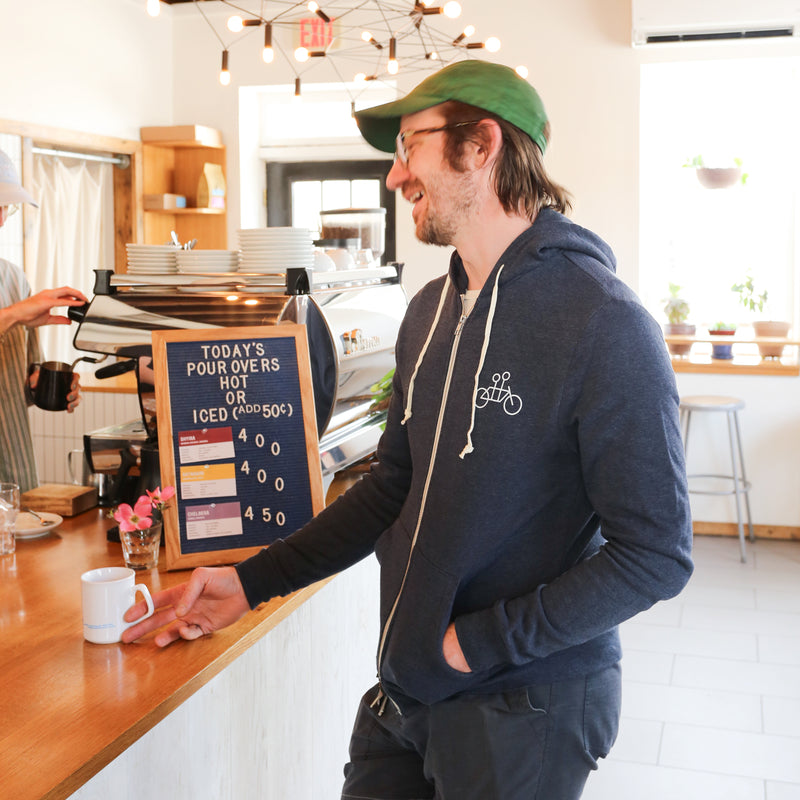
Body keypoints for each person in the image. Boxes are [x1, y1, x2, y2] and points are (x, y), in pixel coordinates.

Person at [123, 60, 694, 799]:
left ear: (480, 146)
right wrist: (249, 581)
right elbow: (393, 486)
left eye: (409, 147)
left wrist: (476, 644)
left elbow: (656, 553)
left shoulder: (606, 325)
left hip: (523, 705)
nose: (395, 178)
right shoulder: (428, 311)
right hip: (408, 690)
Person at [0, 147, 87, 492]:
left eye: (5, 207)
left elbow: (21, 385)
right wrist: (15, 313)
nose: (2, 219)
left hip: (16, 477)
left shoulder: (13, 279)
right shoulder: (19, 298)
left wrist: (44, 386)